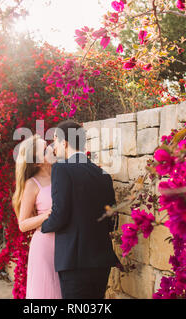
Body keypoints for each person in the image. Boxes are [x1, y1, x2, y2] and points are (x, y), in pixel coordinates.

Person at [41, 120, 119, 299]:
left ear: (65, 142)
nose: (53, 147)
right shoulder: (103, 175)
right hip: (101, 259)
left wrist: (43, 227)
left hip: (74, 261)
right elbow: (111, 220)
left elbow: (60, 215)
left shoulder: (61, 169)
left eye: (55, 141)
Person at [12, 134, 62, 299]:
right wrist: (47, 215)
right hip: (45, 247)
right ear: (38, 162)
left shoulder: (61, 173)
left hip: (66, 244)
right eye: (45, 148)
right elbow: (23, 224)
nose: (50, 147)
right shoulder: (32, 184)